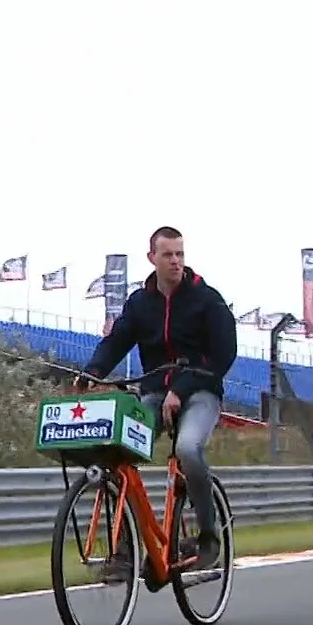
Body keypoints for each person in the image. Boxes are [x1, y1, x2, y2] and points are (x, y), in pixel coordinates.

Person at [79, 226, 239, 573]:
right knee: (118, 453)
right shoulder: (139, 303)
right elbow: (116, 341)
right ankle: (127, 549)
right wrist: (93, 371)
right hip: (153, 394)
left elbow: (223, 355)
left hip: (200, 393)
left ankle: (209, 539)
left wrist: (180, 389)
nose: (176, 261)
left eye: (180, 254)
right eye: (168, 255)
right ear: (152, 258)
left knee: (188, 449)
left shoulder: (207, 299)